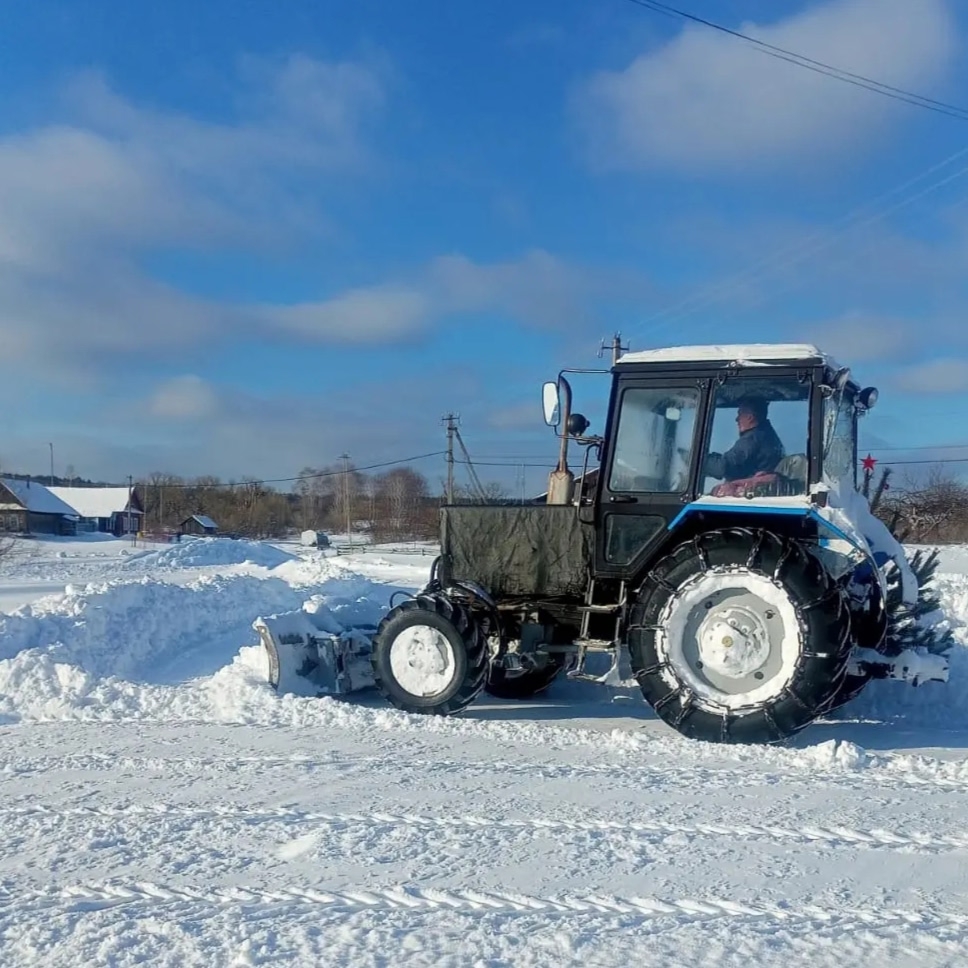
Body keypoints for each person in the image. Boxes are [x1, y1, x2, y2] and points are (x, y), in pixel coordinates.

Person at [705, 397, 784, 482]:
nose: (736, 419)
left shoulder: (752, 439)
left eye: (740, 414)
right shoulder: (768, 436)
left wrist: (696, 460)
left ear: (750, 418)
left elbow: (724, 466)